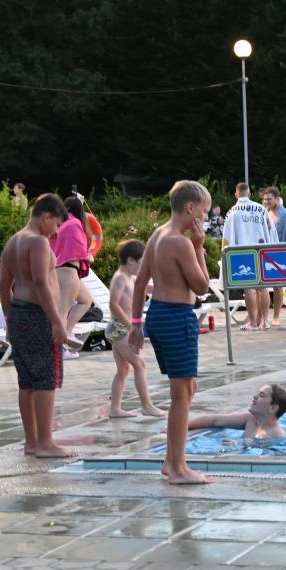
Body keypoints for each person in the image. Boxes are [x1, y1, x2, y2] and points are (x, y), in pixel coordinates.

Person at [128, 179, 212, 484]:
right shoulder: (180, 242)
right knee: (181, 394)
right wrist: (199, 247)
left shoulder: (157, 235)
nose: (204, 218)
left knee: (187, 389)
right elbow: (201, 287)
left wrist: (136, 325)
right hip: (177, 316)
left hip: (158, 315)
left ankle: (171, 460)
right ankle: (177, 467)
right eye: (204, 211)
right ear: (190, 208)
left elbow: (140, 283)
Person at [0, 193, 76, 458]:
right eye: (57, 225)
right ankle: (46, 443)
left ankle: (31, 442)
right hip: (39, 316)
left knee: (27, 381)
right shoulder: (38, 242)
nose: (56, 232)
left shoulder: (13, 242)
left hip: (19, 315)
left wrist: (9, 320)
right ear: (46, 216)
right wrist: (57, 321)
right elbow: (42, 283)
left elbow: (4, 287)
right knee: (45, 379)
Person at [106, 240, 166, 419]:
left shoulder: (130, 278)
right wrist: (131, 326)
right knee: (139, 364)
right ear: (130, 260)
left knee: (123, 370)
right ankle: (147, 406)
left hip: (119, 328)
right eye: (142, 263)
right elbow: (113, 305)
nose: (143, 267)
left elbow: (148, 286)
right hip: (119, 327)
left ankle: (115, 409)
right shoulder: (119, 278)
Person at [222, 182, 277, 330]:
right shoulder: (261, 209)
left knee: (248, 288)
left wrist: (225, 254)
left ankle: (253, 322)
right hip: (261, 249)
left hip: (242, 251)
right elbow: (271, 229)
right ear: (250, 194)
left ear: (236, 194)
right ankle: (265, 321)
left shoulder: (232, 212)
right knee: (263, 287)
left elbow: (227, 237)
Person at [50, 196, 93, 354]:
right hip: (68, 271)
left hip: (58, 270)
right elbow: (80, 250)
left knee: (86, 300)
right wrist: (89, 256)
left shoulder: (59, 224)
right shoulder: (75, 223)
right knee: (62, 310)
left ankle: (67, 332)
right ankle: (59, 349)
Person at [188, 384, 286, 446]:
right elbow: (215, 420)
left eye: (262, 395)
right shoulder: (250, 419)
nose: (255, 396)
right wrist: (184, 425)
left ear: (273, 408)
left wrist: (238, 445)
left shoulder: (276, 435)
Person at [262, 186, 286, 327]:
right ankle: (261, 317)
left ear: (277, 198)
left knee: (278, 286)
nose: (267, 202)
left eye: (269, 199)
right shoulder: (266, 212)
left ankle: (276, 316)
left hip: (280, 253)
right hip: (267, 252)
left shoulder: (285, 215)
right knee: (260, 287)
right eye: (265, 199)